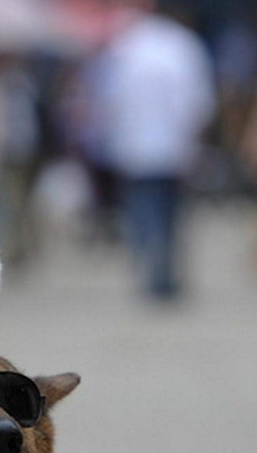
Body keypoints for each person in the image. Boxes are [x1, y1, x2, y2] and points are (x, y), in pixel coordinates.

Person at [93, 0, 216, 300]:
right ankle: (164, 272)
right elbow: (198, 100)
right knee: (170, 212)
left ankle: (148, 269)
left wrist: (111, 136)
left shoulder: (127, 45)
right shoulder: (183, 45)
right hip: (173, 144)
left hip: (134, 144)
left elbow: (109, 97)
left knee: (140, 210)